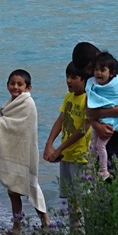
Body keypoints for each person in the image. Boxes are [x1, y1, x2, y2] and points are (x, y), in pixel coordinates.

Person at [0, 69, 49, 235]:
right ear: (7, 85)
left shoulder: (28, 103)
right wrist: (3, 120)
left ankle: (46, 222)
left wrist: (1, 122)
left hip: (25, 153)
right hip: (12, 153)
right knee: (13, 191)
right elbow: (9, 122)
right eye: (12, 83)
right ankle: (17, 226)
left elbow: (22, 127)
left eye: (20, 84)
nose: (15, 87)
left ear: (28, 88)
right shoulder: (9, 103)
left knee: (31, 186)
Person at [71, 41, 118, 168]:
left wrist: (98, 114)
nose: (89, 72)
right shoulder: (91, 76)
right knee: (101, 182)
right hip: (101, 138)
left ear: (98, 55)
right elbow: (89, 105)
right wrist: (97, 125)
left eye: (89, 67)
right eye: (86, 70)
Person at [42, 63, 91, 225]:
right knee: (71, 198)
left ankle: (89, 233)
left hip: (81, 157)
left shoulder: (89, 99)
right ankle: (74, 230)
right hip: (66, 155)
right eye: (67, 77)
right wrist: (49, 143)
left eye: (73, 78)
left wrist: (59, 149)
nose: (69, 81)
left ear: (84, 79)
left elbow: (84, 128)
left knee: (83, 197)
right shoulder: (68, 97)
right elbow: (61, 119)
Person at [85, 52, 118, 180]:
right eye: (96, 70)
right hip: (98, 120)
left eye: (103, 70)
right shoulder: (93, 83)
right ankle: (91, 168)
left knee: (100, 145)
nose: (98, 73)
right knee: (92, 144)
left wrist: (106, 106)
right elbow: (90, 95)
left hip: (109, 122)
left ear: (111, 73)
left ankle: (104, 171)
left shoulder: (114, 85)